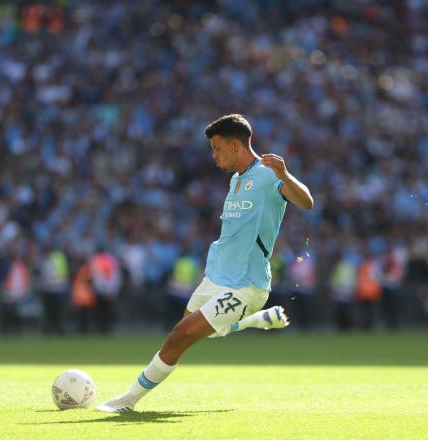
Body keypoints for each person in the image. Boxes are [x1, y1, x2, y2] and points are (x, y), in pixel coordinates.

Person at [96, 113, 313, 412]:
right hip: (217, 277)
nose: (214, 155)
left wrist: (286, 176)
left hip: (245, 284)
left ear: (235, 145)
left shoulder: (267, 174)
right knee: (190, 332)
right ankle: (253, 321)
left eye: (217, 148)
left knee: (179, 337)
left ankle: (126, 401)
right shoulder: (237, 179)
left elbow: (307, 202)